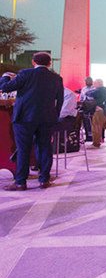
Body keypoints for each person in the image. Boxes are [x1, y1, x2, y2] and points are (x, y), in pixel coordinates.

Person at [0, 52, 64, 190]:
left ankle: (21, 182)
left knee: (23, 149)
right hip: (47, 119)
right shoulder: (56, 78)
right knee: (45, 148)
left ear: (33, 62)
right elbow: (60, 100)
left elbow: (5, 87)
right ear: (49, 63)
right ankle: (44, 180)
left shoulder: (26, 74)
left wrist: (5, 77)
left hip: (24, 118)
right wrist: (55, 116)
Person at [79, 76, 95, 141]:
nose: (87, 82)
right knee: (86, 122)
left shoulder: (94, 89)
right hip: (85, 107)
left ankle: (93, 136)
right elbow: (81, 98)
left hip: (92, 107)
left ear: (91, 81)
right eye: (86, 81)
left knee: (92, 122)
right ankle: (88, 136)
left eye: (88, 81)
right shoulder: (84, 89)